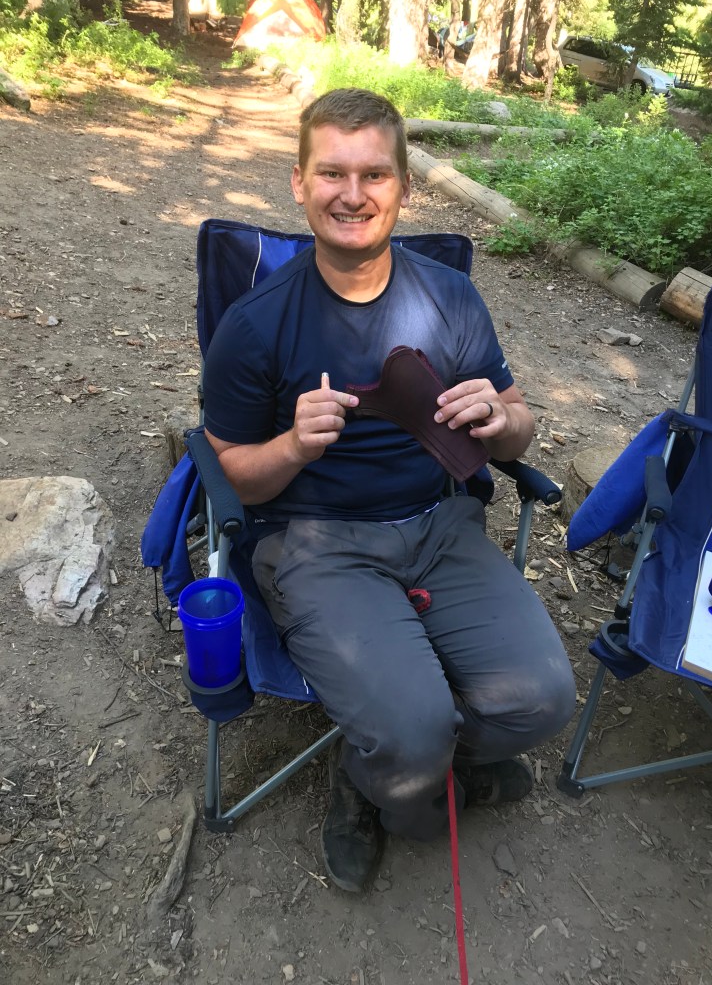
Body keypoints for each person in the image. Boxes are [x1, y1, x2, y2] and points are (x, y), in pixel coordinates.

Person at [203, 88, 576, 892]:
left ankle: (392, 765)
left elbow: (519, 426)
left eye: (374, 174)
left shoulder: (449, 297)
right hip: (314, 543)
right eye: (331, 172)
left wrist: (500, 422)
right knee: (412, 732)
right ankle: (387, 783)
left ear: (404, 186)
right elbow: (227, 471)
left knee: (542, 703)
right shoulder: (256, 325)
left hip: (440, 528)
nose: (353, 194)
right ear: (298, 182)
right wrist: (293, 446)